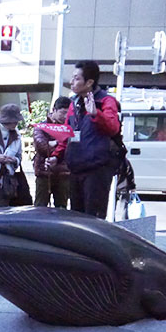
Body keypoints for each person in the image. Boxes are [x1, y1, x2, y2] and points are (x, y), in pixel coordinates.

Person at [65, 60, 122, 218]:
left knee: (93, 219)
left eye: (76, 78)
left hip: (96, 169)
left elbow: (113, 127)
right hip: (76, 168)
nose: (71, 82)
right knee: (75, 218)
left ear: (89, 82)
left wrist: (96, 114)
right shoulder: (74, 102)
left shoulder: (106, 101)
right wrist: (56, 156)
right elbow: (68, 133)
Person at [33, 96, 72, 208]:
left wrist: (53, 143)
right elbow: (42, 147)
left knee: (62, 207)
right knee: (40, 207)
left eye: (68, 113)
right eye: (62, 113)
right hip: (44, 173)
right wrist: (59, 143)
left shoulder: (70, 127)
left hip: (64, 174)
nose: (65, 117)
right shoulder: (42, 127)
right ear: (54, 110)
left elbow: (73, 147)